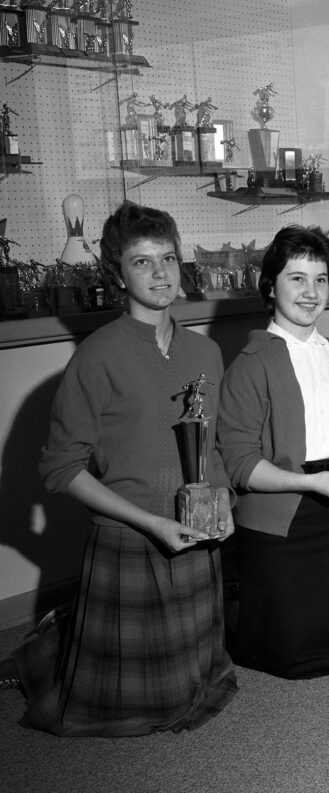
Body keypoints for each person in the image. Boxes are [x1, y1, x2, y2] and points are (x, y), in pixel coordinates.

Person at [8, 203, 237, 736]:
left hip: (196, 528)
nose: (160, 274)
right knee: (131, 706)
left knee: (195, 684)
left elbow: (215, 445)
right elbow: (61, 468)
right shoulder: (96, 356)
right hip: (131, 538)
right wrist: (151, 522)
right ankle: (47, 646)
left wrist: (223, 498)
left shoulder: (205, 352)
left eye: (169, 258)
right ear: (117, 274)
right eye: (141, 262)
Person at [217, 225, 329, 678]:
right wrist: (309, 483)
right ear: (270, 287)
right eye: (297, 279)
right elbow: (239, 463)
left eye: (321, 279)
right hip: (281, 507)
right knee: (283, 647)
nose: (311, 292)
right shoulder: (250, 365)